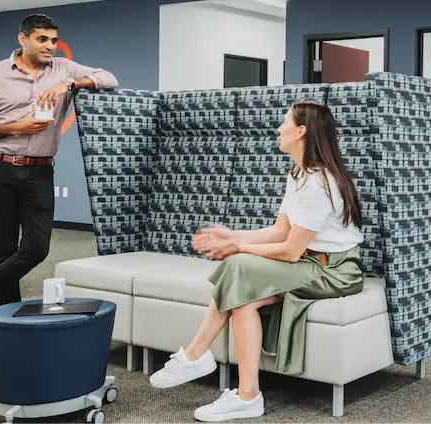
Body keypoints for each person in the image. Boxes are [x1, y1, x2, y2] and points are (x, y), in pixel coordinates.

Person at [149, 100, 365, 421]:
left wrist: (238, 250)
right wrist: (233, 237)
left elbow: (290, 250)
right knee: (244, 297)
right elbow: (280, 231)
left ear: (301, 131)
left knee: (238, 266)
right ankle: (247, 395)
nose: (279, 129)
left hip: (333, 270)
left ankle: (196, 354)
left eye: (284, 122)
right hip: (308, 262)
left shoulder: (321, 182)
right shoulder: (299, 173)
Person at [0, 13, 118, 357]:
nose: (50, 46)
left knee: (37, 248)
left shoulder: (64, 69)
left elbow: (107, 78)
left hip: (39, 172)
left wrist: (68, 85)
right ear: (23, 39)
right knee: (5, 251)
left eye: (53, 40)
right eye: (42, 40)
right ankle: (9, 330)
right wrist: (14, 128)